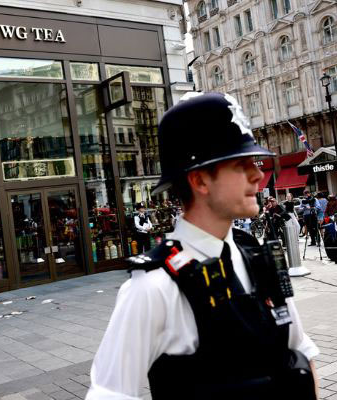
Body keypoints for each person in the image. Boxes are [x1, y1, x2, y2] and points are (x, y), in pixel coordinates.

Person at [87, 93, 319, 400]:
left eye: (255, 161)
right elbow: (109, 394)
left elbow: (300, 353)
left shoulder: (258, 260)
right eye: (241, 164)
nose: (258, 174)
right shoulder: (154, 287)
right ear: (200, 181)